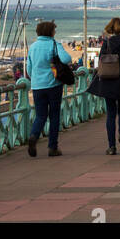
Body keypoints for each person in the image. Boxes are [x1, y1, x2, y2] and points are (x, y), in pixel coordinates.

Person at [88, 16, 120, 154]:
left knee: (111, 113)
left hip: (110, 80)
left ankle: (111, 146)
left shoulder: (108, 42)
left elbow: (101, 61)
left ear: (110, 28)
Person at [26, 20, 72, 158]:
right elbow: (66, 59)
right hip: (53, 84)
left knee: (40, 115)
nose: (55, 33)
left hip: (37, 86)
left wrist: (35, 78)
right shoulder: (54, 44)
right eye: (54, 31)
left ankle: (34, 136)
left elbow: (29, 68)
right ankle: (52, 148)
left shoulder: (33, 47)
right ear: (51, 32)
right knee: (54, 116)